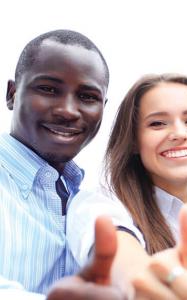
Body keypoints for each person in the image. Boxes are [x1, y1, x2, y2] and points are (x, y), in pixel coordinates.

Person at [67, 73, 187, 299]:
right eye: (157, 123)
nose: (179, 133)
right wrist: (142, 280)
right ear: (134, 141)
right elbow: (120, 256)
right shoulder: (101, 204)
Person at [0, 29, 121, 299]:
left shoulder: (89, 203)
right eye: (48, 89)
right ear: (11, 94)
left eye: (88, 97)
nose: (68, 110)